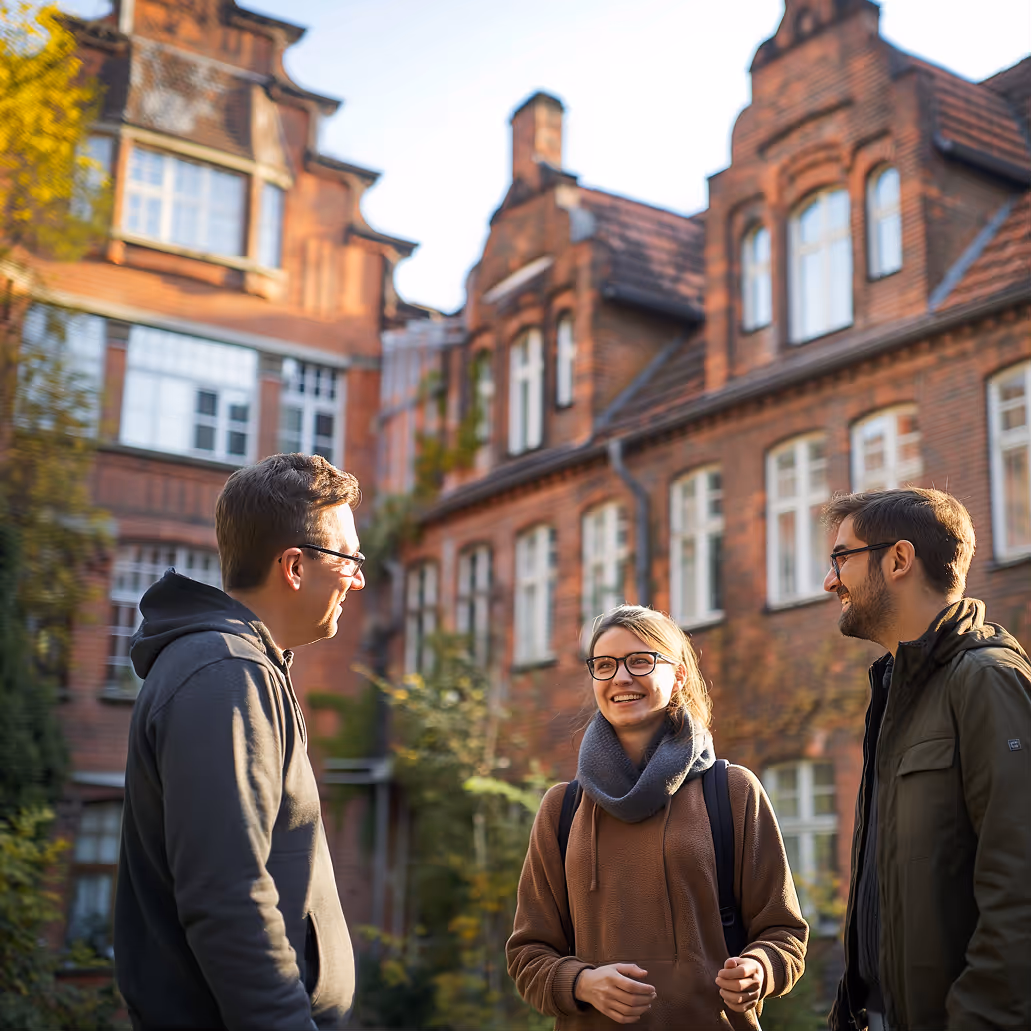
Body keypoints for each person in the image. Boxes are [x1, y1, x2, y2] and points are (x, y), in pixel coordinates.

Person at [114, 453, 366, 1031]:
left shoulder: (239, 666)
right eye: (348, 557)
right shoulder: (224, 673)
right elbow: (228, 896)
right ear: (295, 566)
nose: (357, 577)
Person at [506, 604, 808, 1030]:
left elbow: (785, 935)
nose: (621, 678)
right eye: (605, 665)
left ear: (679, 674)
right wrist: (582, 983)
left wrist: (761, 970)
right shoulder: (562, 809)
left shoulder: (733, 792)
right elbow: (527, 954)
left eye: (640, 661)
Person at [823, 488, 1031, 1032]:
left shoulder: (985, 680)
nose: (829, 582)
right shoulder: (896, 689)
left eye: (841, 558)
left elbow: (1021, 885)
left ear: (898, 559)